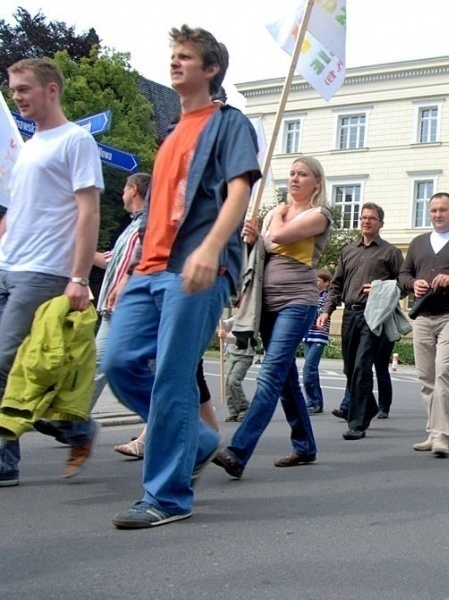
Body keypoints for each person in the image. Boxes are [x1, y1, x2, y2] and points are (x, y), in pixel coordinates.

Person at [102, 25, 260, 527]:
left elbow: (239, 192)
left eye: (185, 57)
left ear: (210, 70)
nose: (174, 63)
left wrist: (212, 249)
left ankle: (166, 498)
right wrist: (131, 269)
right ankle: (202, 440)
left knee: (172, 377)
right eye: (172, 56)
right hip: (149, 270)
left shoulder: (228, 123)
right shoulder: (171, 134)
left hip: (196, 267)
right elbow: (157, 211)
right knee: (121, 360)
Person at [0, 58, 103, 488]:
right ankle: (67, 429)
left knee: (5, 364)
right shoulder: (29, 147)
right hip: (8, 265)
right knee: (15, 369)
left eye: (23, 89)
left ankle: (14, 458)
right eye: (12, 89)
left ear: (51, 90)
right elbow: (18, 213)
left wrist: (78, 278)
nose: (16, 97)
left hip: (44, 272)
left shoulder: (76, 141)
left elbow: (89, 210)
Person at [213, 156, 331, 479]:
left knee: (269, 374)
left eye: (302, 174)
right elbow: (262, 247)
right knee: (286, 380)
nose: (294, 179)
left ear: (316, 182)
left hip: (298, 302)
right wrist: (252, 235)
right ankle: (305, 445)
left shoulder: (319, 215)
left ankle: (238, 452)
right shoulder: (272, 216)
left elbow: (278, 237)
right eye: (291, 173)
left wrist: (273, 218)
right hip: (265, 303)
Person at [31, 174, 145, 454]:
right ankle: (73, 423)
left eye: (123, 189)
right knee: (100, 367)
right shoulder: (131, 228)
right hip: (112, 309)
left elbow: (142, 262)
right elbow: (107, 261)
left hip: (128, 310)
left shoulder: (146, 224)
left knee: (113, 369)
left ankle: (74, 423)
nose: (120, 195)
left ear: (133, 190)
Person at [399, 192, 449, 457]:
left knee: (444, 372)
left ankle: (443, 436)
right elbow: (403, 274)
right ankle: (433, 432)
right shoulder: (419, 243)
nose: (437, 214)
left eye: (443, 209)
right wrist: (412, 284)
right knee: (426, 376)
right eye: (433, 210)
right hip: (423, 315)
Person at [319, 202, 403, 440]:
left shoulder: (390, 253)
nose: (366, 221)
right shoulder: (348, 251)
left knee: (362, 367)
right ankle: (371, 406)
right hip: (350, 314)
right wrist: (327, 310)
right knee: (349, 368)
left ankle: (357, 423)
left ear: (381, 224)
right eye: (363, 217)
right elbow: (336, 284)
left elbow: (404, 284)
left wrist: (381, 289)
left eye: (372, 218)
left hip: (374, 316)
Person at [302, 268, 332, 414]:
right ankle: (317, 402)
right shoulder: (311, 296)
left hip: (318, 337)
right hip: (308, 336)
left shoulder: (327, 298)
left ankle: (312, 402)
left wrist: (307, 307)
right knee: (312, 371)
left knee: (308, 370)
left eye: (318, 280)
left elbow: (319, 314)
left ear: (326, 283)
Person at [218, 315, 256, 422]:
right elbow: (225, 325)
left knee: (233, 381)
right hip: (232, 354)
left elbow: (245, 339)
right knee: (227, 383)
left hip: (245, 355)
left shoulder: (251, 319)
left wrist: (226, 336)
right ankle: (233, 411)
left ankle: (244, 408)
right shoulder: (237, 317)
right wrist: (218, 317)